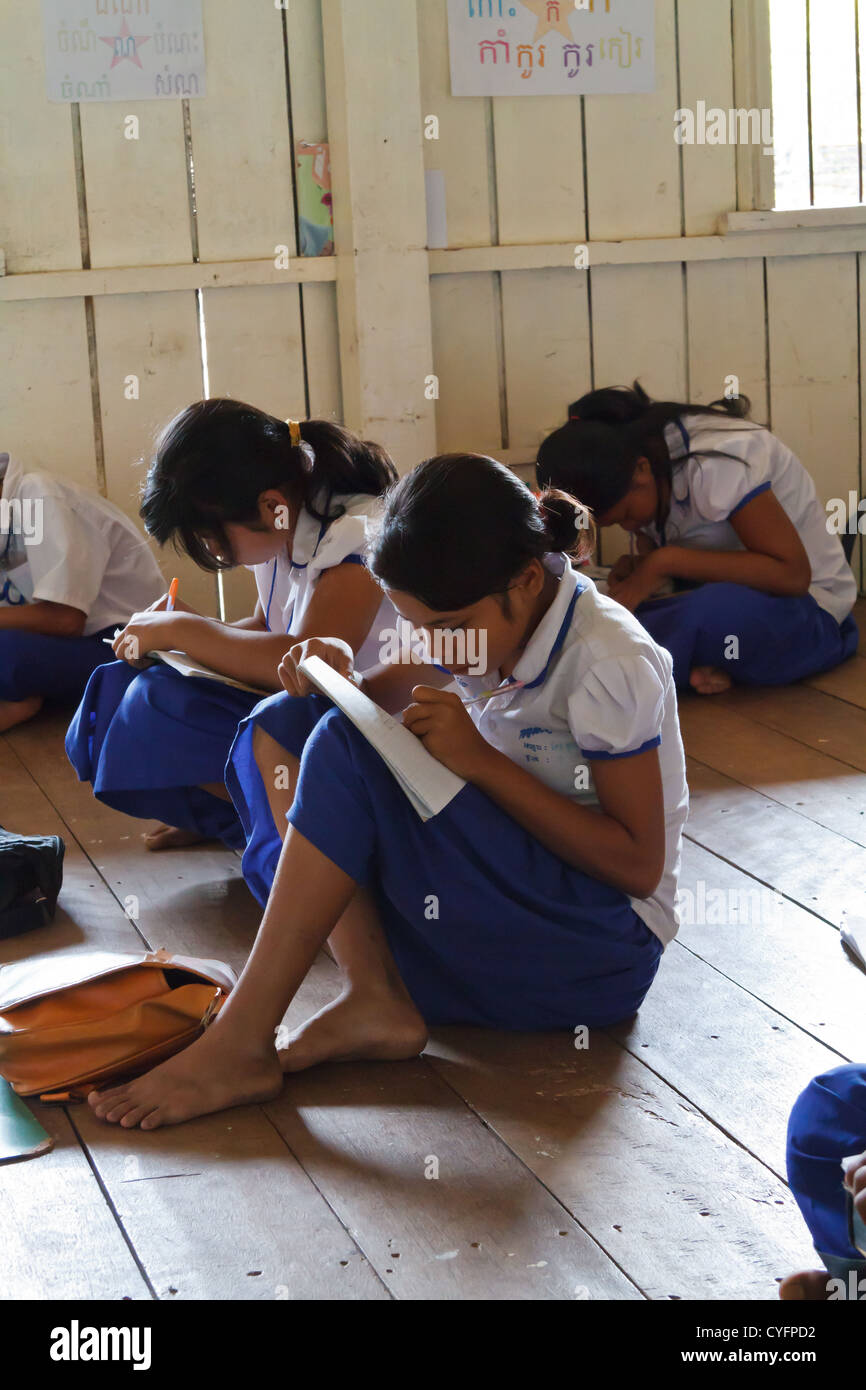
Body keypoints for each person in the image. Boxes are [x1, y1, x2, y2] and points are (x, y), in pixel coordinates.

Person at [86, 453, 689, 1129]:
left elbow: (638, 866)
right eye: (420, 627)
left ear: (524, 580)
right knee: (296, 720)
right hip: (516, 916)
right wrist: (341, 675)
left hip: (593, 955)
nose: (440, 647)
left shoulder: (608, 660)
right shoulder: (484, 612)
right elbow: (391, 685)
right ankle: (373, 995)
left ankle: (244, 1041)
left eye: (449, 628)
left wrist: (482, 765)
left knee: (341, 749)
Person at [66, 400, 398, 851]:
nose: (215, 552)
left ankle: (297, 838)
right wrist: (187, 631)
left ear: (271, 505)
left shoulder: (358, 535)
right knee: (116, 687)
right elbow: (265, 627)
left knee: (155, 703)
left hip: (369, 732)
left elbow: (306, 660)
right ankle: (238, 815)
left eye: (210, 537)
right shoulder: (284, 525)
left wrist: (185, 631)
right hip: (303, 711)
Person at [536, 383, 858, 694]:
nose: (629, 530)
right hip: (736, 596)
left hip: (813, 614)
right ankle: (694, 665)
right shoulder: (637, 453)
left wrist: (664, 562)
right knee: (605, 605)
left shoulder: (714, 461)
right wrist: (641, 570)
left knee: (710, 614)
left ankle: (624, 676)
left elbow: (793, 575)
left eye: (627, 516)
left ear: (642, 470)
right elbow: (698, 562)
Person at [0, 450, 163, 733]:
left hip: (126, 644)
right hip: (73, 644)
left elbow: (66, 619)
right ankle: (23, 698)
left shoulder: (38, 495)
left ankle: (22, 700)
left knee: (5, 652)